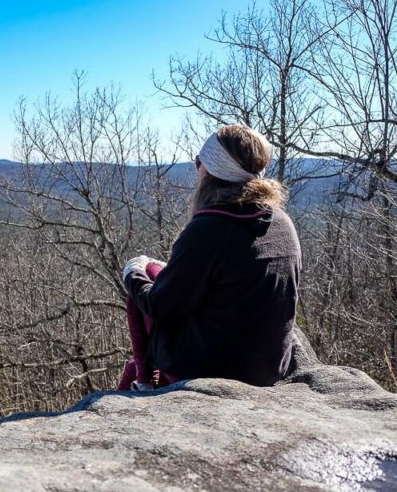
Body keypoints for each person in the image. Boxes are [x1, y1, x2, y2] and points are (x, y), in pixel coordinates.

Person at [119, 124, 302, 391]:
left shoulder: (210, 228)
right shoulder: (282, 222)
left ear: (211, 170)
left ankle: (146, 384)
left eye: (198, 163)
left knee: (144, 279)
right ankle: (142, 379)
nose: (197, 169)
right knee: (158, 277)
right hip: (270, 367)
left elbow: (159, 305)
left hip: (214, 370)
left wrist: (132, 272)